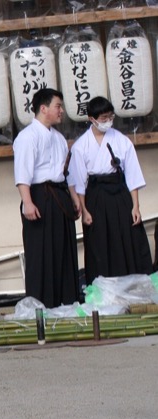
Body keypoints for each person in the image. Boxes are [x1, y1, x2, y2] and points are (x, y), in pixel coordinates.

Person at [67, 96, 152, 284]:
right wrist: (84, 210)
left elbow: (132, 175)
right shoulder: (81, 146)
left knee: (128, 238)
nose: (108, 121)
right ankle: (104, 289)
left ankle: (133, 285)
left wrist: (136, 206)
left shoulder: (121, 140)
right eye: (103, 118)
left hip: (120, 193)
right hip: (96, 197)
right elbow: (78, 182)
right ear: (92, 119)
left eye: (110, 117)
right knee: (99, 242)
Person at [12, 88, 81, 308]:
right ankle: (41, 305)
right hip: (38, 197)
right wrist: (28, 202)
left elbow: (66, 172)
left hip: (60, 195)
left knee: (64, 249)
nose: (61, 111)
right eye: (58, 106)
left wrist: (74, 198)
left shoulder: (59, 138)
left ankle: (66, 302)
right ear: (43, 108)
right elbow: (22, 173)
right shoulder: (27, 137)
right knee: (40, 252)